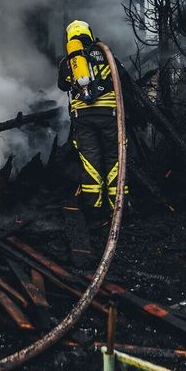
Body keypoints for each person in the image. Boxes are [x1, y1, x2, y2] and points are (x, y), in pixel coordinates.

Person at [57, 20, 125, 264]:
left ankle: (95, 211)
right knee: (115, 159)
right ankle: (118, 207)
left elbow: (63, 84)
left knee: (90, 162)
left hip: (84, 117)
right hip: (109, 115)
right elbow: (120, 77)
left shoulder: (71, 60)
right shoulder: (106, 54)